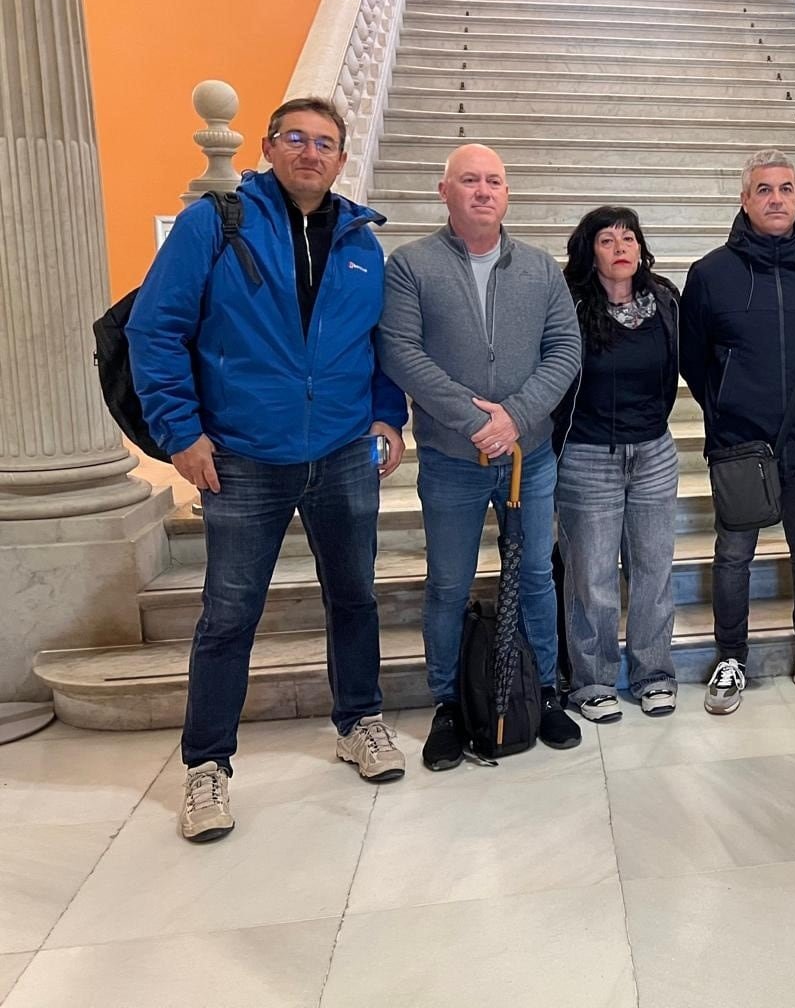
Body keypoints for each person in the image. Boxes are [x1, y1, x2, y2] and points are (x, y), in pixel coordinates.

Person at [128, 97, 408, 843]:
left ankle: (359, 721)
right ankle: (206, 765)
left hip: (343, 452)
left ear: (341, 158)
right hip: (243, 455)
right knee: (229, 615)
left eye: (325, 143)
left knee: (354, 598)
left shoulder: (360, 241)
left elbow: (380, 344)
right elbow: (155, 330)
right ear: (268, 146)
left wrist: (388, 415)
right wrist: (180, 434)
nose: (310, 152)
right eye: (296, 138)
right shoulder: (215, 224)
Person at [379, 144, 583, 769]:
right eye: (469, 180)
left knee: (538, 576)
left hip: (531, 458)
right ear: (444, 191)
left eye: (494, 181)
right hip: (451, 460)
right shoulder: (410, 266)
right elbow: (400, 351)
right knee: (448, 583)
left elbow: (565, 349)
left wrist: (515, 417)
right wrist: (477, 423)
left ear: (507, 194)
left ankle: (544, 691)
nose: (483, 191)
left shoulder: (541, 269)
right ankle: (448, 703)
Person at [681, 149, 795, 715]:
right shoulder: (710, 274)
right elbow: (693, 358)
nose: (776, 199)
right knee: (733, 556)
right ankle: (731, 657)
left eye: (785, 189)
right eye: (764, 190)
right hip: (740, 448)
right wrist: (727, 410)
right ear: (744, 200)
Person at [552, 206, 681, 722]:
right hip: (587, 456)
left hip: (653, 451)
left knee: (654, 571)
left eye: (628, 238)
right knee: (592, 577)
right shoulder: (568, 304)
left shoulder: (665, 299)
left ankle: (654, 674)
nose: (620, 247)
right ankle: (592, 681)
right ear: (590, 251)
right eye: (607, 240)